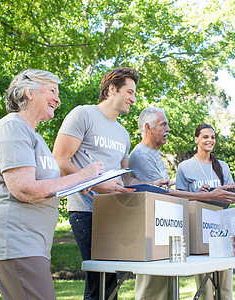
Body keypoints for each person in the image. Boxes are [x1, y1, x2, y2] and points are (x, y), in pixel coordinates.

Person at [0, 69, 104, 300]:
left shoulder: (33, 135)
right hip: (16, 239)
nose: (58, 99)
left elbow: (46, 185)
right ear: (28, 92)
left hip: (32, 242)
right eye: (52, 91)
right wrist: (83, 175)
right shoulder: (12, 127)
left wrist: (77, 184)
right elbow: (25, 189)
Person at [52, 67, 148, 299]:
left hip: (114, 212)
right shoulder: (83, 114)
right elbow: (60, 158)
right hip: (85, 210)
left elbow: (125, 176)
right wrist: (95, 185)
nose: (133, 99)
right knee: (99, 279)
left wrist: (152, 184)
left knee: (111, 279)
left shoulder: (124, 133)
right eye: (130, 92)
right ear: (112, 88)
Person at [129, 108, 235, 300]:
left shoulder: (155, 153)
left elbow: (167, 192)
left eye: (213, 137)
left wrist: (207, 194)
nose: (168, 129)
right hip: (152, 232)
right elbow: (163, 193)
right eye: (163, 124)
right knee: (152, 290)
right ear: (148, 127)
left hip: (168, 230)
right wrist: (205, 196)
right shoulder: (141, 155)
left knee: (168, 289)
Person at [175, 124, 235, 300]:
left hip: (221, 226)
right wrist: (199, 195)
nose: (210, 140)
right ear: (196, 139)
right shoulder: (185, 167)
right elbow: (180, 200)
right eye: (205, 137)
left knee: (225, 284)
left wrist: (230, 189)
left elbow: (230, 197)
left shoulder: (222, 166)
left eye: (213, 137)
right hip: (199, 229)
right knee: (205, 287)